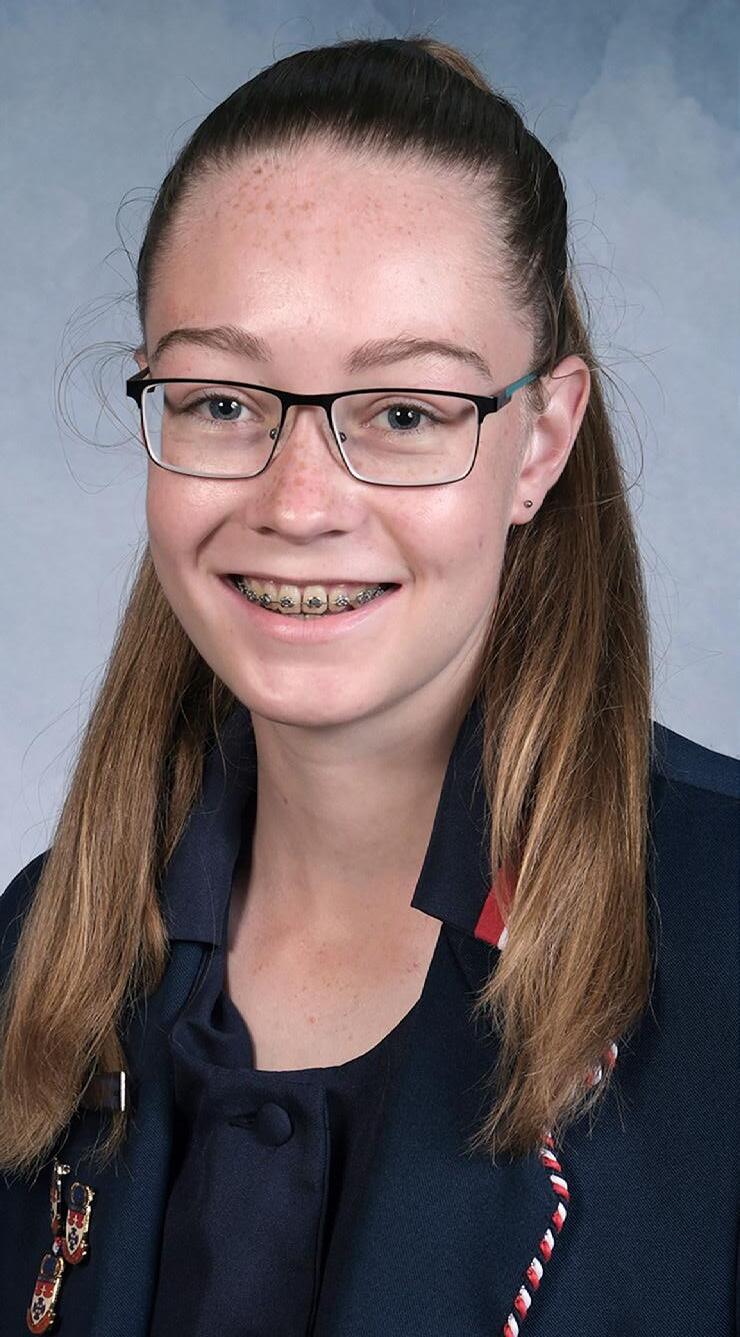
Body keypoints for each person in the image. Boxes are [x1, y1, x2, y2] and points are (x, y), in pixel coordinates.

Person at [1, 33, 737, 1337]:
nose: (299, 504)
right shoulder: (31, 949)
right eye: (222, 401)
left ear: (541, 441)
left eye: (404, 412)